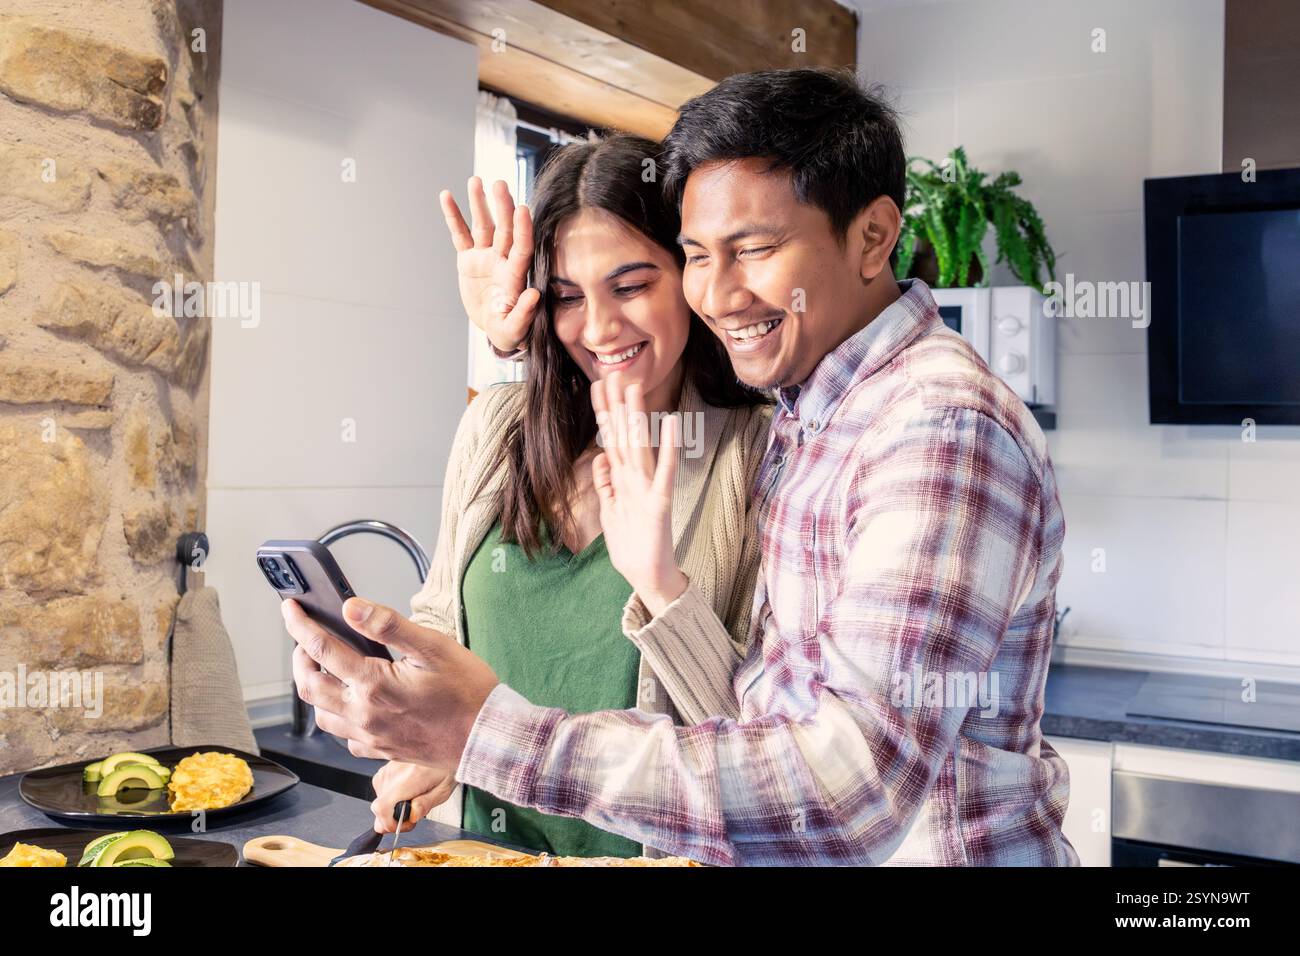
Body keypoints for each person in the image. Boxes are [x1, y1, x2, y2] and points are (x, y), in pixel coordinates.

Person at [288, 68, 1078, 866]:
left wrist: (484, 733)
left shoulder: (931, 428)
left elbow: (843, 796)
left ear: (873, 237)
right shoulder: (819, 414)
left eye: (754, 249)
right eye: (701, 255)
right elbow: (766, 720)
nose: (720, 292)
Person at [285, 134, 770, 859]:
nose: (600, 328)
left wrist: (665, 594)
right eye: (569, 297)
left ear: (690, 274)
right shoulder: (497, 427)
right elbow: (444, 618)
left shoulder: (756, 451)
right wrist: (428, 742)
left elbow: (764, 749)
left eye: (632, 285)